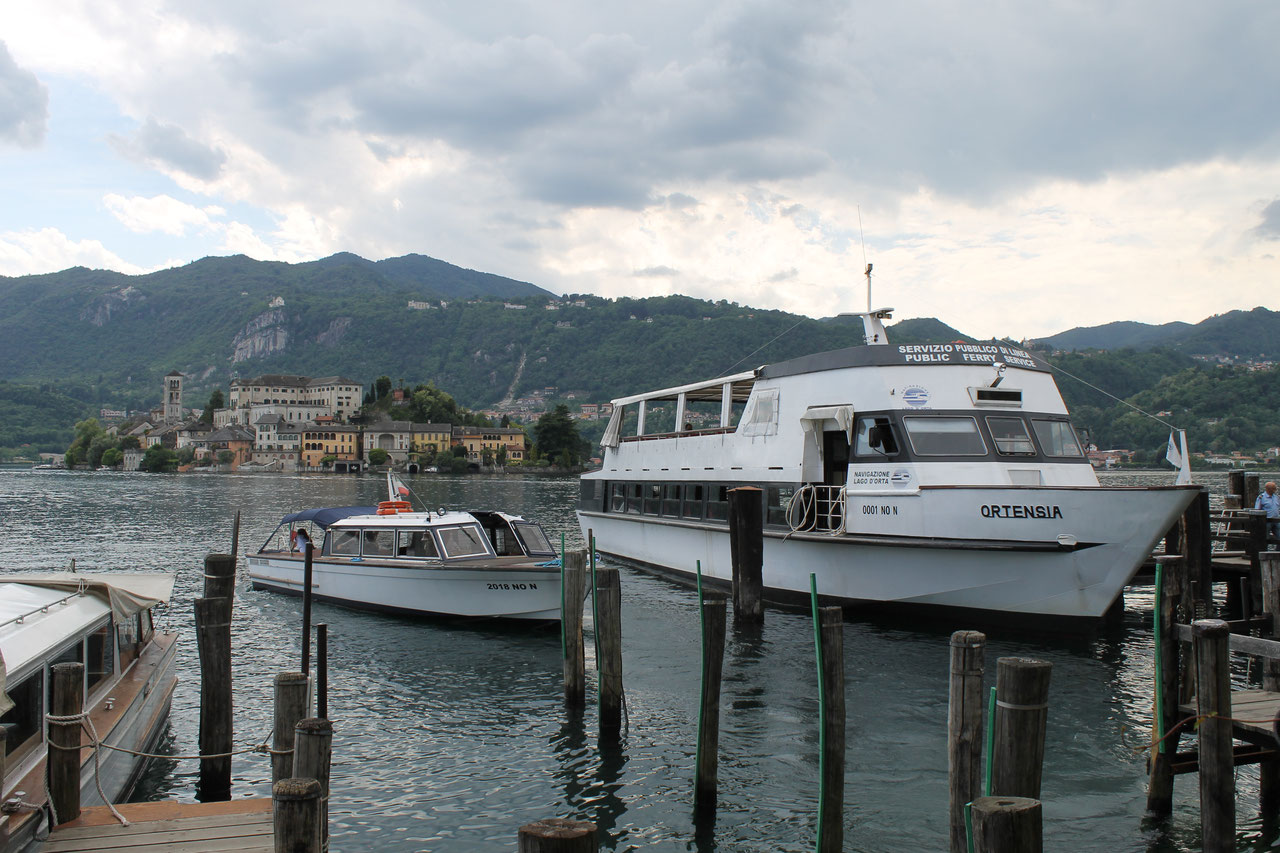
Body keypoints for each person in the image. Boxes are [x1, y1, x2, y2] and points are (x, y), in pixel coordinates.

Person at [1257, 481, 1280, 546]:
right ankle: (1264, 553)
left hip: (1276, 521)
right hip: (1267, 521)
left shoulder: (1276, 497)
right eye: (1274, 488)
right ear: (1268, 489)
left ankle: (1278, 552)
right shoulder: (1261, 497)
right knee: (1265, 538)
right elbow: (1257, 509)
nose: (1275, 490)